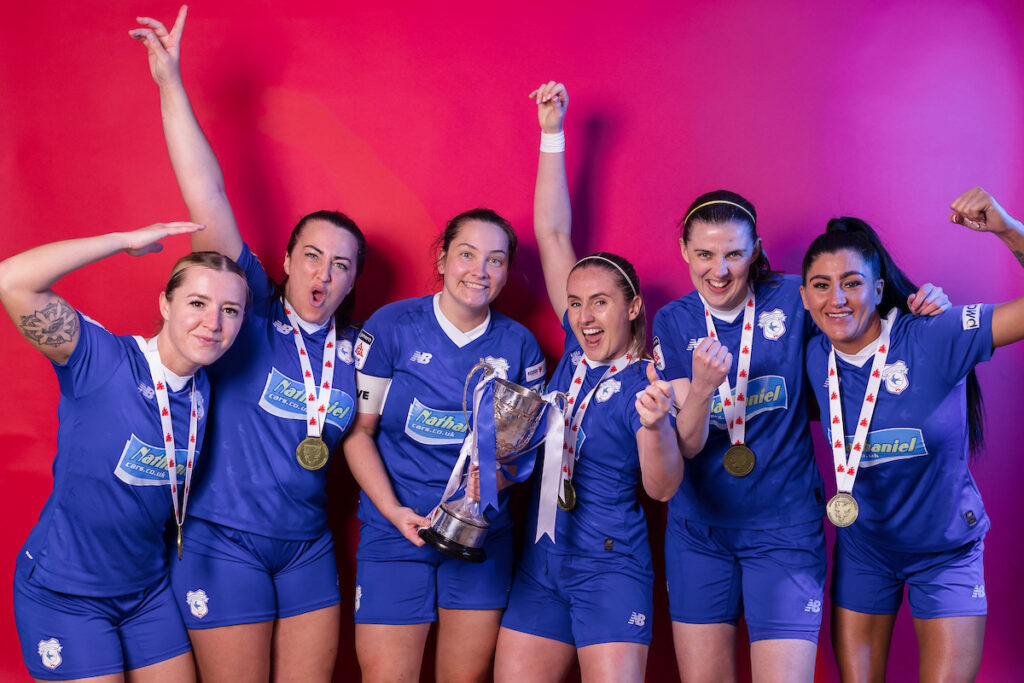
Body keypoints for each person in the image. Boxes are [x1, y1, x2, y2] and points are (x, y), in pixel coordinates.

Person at [131, 8, 366, 681]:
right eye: (313, 256)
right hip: (222, 541)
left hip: (307, 548)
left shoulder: (354, 353)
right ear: (287, 260)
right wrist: (170, 82)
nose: (324, 274)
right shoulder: (251, 309)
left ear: (351, 281)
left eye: (342, 265)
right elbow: (207, 193)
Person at [652, 190, 947, 681]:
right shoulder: (674, 319)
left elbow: (861, 322)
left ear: (756, 249)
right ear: (684, 251)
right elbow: (686, 444)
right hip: (698, 532)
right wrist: (703, 389)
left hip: (784, 529)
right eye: (704, 254)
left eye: (734, 254)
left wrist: (924, 311)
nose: (719, 270)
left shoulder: (795, 297)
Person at [493, 81, 684, 682]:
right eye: (575, 304)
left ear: (630, 308)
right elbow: (551, 234)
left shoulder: (649, 381)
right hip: (539, 563)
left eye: (600, 302)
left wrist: (655, 426)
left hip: (610, 567)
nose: (583, 315)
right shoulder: (575, 355)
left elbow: (662, 488)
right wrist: (553, 133)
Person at [3, 223, 248, 682]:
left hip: (145, 593)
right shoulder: (102, 359)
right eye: (197, 303)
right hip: (65, 593)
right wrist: (120, 242)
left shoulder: (202, 388)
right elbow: (11, 280)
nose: (213, 323)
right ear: (165, 304)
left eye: (230, 310)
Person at [800, 186, 1023, 682]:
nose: (836, 299)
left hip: (947, 550)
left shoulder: (935, 334)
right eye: (820, 284)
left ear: (879, 289)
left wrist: (1008, 229)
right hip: (865, 550)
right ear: (804, 296)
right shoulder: (814, 355)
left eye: (852, 282)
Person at [343, 203, 546, 681]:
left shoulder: (520, 346)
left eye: (495, 260)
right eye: (467, 254)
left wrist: (489, 485)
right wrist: (394, 512)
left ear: (507, 272)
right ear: (441, 260)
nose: (479, 271)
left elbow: (525, 456)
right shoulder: (390, 327)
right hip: (395, 533)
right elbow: (359, 434)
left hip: (482, 539)